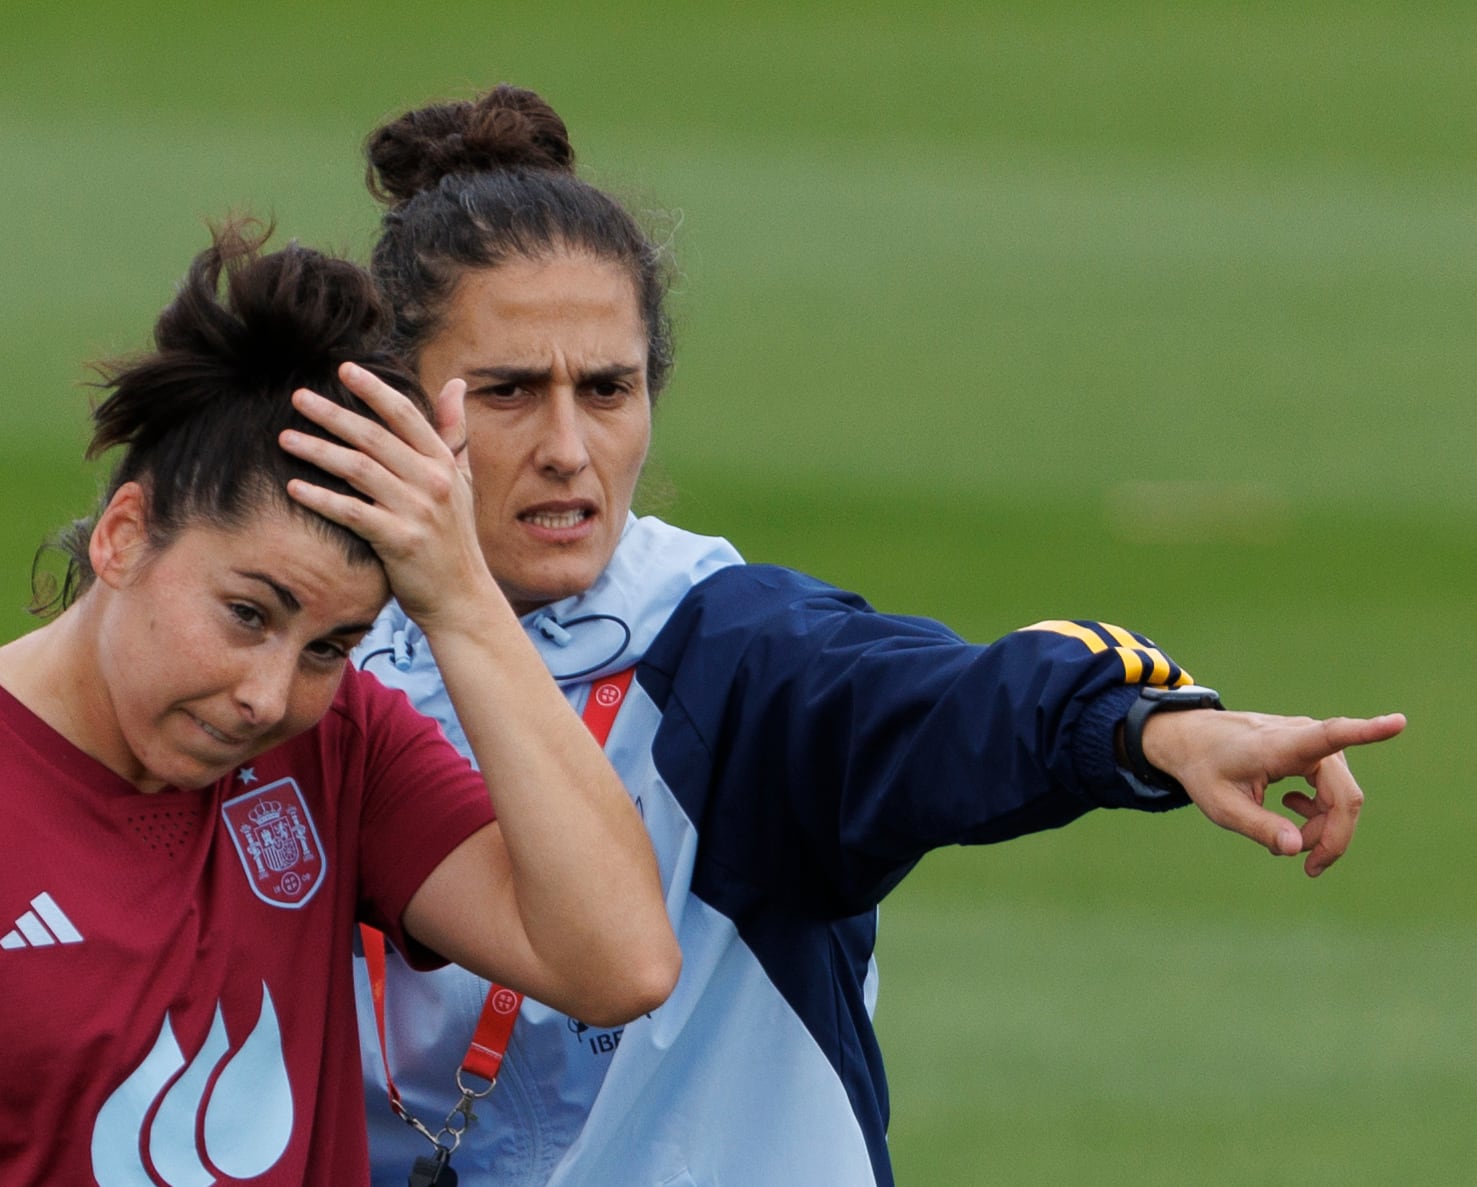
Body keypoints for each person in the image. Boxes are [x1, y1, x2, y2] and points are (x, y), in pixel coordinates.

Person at [343, 86, 1406, 1187]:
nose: (569, 446)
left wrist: (1143, 731)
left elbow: (930, 703)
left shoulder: (726, 650)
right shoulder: (311, 653)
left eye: (606, 388)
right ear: (395, 401)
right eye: (511, 391)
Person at [0, 219, 679, 1186]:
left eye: (331, 646)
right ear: (123, 535)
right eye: (248, 612)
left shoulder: (338, 743)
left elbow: (619, 962)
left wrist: (462, 601)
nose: (266, 696)